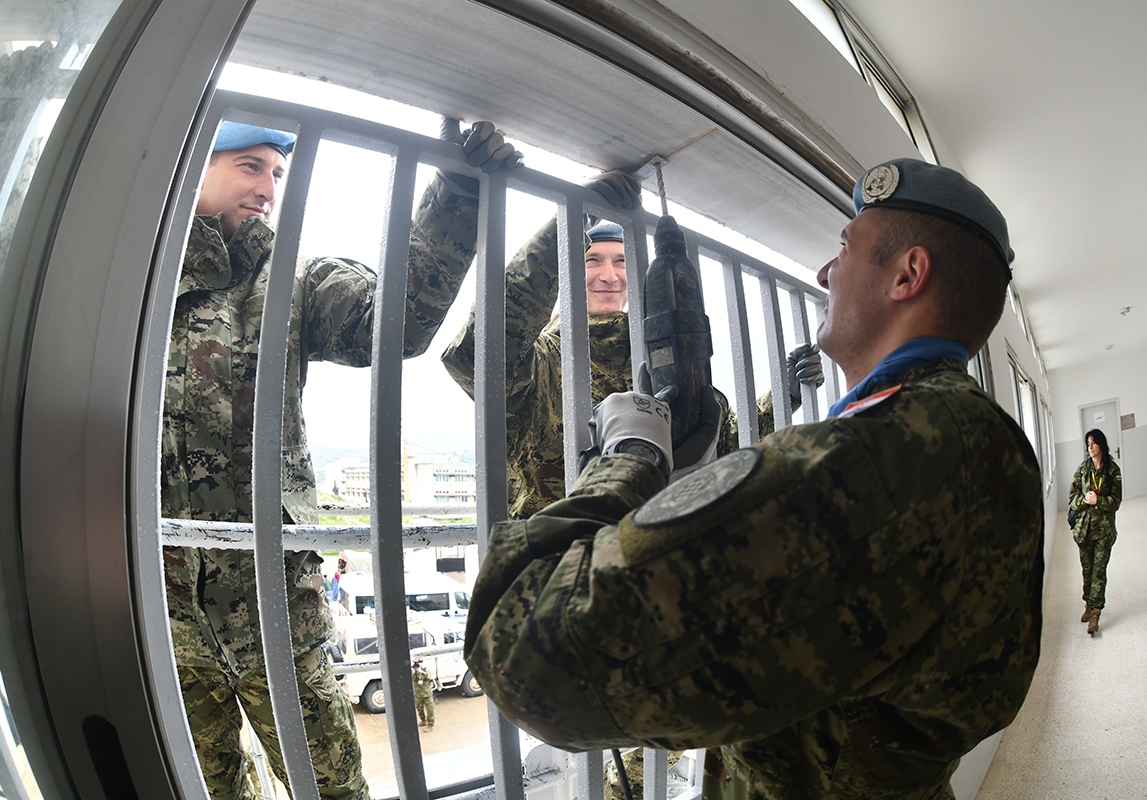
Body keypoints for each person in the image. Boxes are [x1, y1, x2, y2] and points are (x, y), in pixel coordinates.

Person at [464, 158, 1044, 798]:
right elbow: (477, 352)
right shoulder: (985, 438)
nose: (826, 271)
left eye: (845, 247)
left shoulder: (889, 455)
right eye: (592, 260)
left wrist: (629, 457)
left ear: (908, 275)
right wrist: (558, 231)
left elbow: (520, 651)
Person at [163, 118, 521, 799]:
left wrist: (459, 194)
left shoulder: (290, 279)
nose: (268, 186)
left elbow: (391, 321)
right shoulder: (138, 284)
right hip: (163, 608)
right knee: (197, 786)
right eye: (249, 166)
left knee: (333, 788)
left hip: (274, 614)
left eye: (276, 172)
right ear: (196, 168)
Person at [441, 183, 823, 521]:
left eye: (621, 261)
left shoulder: (662, 362)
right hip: (559, 560)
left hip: (652, 557)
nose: (609, 275)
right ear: (565, 268)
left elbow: (720, 442)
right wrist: (568, 224)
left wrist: (785, 394)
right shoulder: (543, 362)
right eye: (592, 259)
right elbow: (476, 354)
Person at [1069, 428, 1122, 635]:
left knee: (1099, 571)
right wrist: (1084, 500)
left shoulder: (1113, 471)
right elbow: (1071, 497)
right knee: (1087, 570)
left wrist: (1098, 501)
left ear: (1101, 444)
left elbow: (1116, 501)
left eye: (1093, 443)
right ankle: (1088, 604)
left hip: (1104, 531)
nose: (1090, 448)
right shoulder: (1083, 470)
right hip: (1084, 530)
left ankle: (1096, 613)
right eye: (1087, 444)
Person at [412, 660, 436, 729]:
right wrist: (413, 673)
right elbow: (412, 679)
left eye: (419, 663)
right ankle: (423, 720)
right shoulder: (415, 672)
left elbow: (428, 676)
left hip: (426, 694)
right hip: (418, 694)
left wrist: (421, 671)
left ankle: (430, 724)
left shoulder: (426, 670)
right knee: (419, 708)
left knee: (429, 709)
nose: (418, 664)